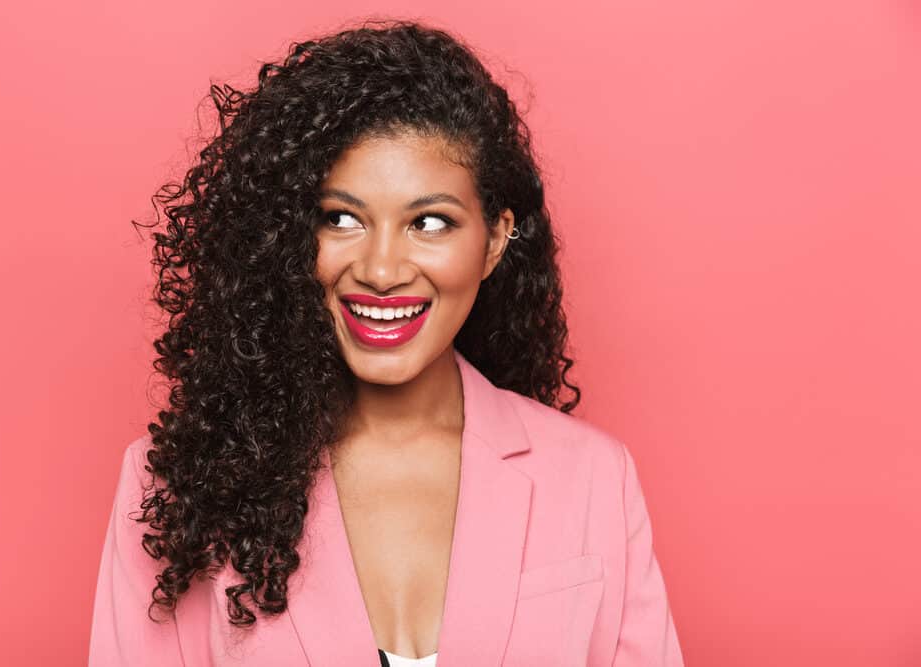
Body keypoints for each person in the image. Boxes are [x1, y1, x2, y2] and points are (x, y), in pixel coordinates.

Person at [88, 19, 684, 667]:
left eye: (430, 221)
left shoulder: (594, 477)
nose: (380, 267)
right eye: (341, 218)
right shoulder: (179, 483)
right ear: (290, 235)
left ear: (492, 240)